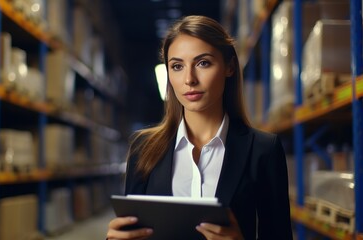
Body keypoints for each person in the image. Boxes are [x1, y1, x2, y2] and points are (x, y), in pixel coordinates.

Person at [107, 15, 292, 240]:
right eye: (177, 66)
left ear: (229, 67)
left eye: (203, 63)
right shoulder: (142, 147)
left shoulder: (264, 149)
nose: (189, 79)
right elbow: (131, 230)